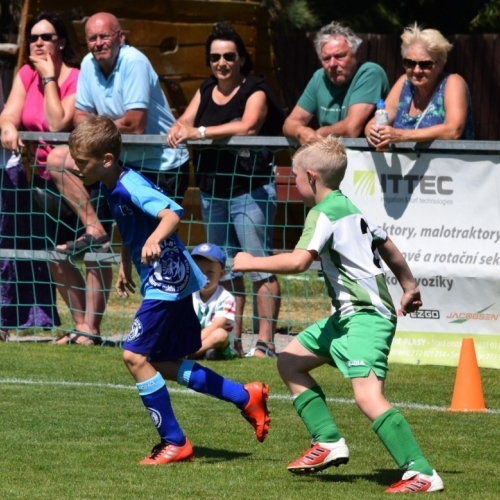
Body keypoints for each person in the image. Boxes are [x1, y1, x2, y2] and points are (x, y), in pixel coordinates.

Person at [233, 136, 444, 493]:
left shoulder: (323, 213)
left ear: (311, 177)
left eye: (295, 176)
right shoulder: (349, 207)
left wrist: (251, 261)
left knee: (367, 396)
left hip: (365, 317)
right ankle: (327, 441)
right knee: (290, 361)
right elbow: (385, 243)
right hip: (345, 318)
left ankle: (421, 472)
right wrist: (409, 286)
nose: (293, 182)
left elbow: (299, 261)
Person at [68, 114, 271, 464]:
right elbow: (131, 227)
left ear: (106, 159)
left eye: (81, 161)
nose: (75, 167)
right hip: (164, 280)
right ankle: (245, 396)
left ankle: (175, 441)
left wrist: (154, 240)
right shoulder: (111, 185)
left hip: (167, 280)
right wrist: (126, 264)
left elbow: (172, 214)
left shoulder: (131, 185)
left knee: (134, 357)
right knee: (162, 362)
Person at [47, 12, 190, 345]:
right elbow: (81, 122)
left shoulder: (135, 62)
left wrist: (98, 127)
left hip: (160, 164)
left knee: (163, 253)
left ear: (120, 37)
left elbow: (135, 124)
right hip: (122, 165)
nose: (98, 43)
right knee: (113, 242)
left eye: (105, 36)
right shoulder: (88, 64)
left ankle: (172, 328)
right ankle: (93, 328)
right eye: (92, 38)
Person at [167, 22, 285, 358]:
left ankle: (265, 343)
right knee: (224, 268)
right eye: (215, 57)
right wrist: (178, 128)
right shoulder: (206, 88)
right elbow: (184, 121)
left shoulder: (255, 88)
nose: (222, 63)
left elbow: (247, 127)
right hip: (212, 191)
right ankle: (231, 341)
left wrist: (200, 132)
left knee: (258, 267)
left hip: (251, 190)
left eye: (229, 56)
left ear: (241, 58)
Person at [0, 11, 82, 340]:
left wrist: (49, 78)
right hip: (40, 182)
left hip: (74, 181)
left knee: (86, 255)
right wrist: (8, 126)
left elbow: (57, 124)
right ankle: (78, 326)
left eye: (46, 37)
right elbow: (9, 113)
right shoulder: (25, 73)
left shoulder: (76, 76)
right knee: (52, 256)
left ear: (61, 42)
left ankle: (87, 327)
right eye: (33, 37)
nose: (38, 43)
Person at [365, 23, 474, 148]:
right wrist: (371, 131)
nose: (416, 70)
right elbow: (376, 120)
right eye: (410, 63)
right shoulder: (404, 82)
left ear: (441, 64)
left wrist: (402, 136)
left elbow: (454, 130)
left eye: (425, 64)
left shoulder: (453, 82)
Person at [283, 21, 389, 144]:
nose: (332, 64)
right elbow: (289, 123)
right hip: (329, 153)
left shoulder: (370, 73)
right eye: (326, 58)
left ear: (357, 54)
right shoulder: (319, 77)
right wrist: (301, 132)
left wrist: (318, 134)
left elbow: (351, 129)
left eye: (340, 56)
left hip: (365, 154)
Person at [189, 243, 236, 360]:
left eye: (210, 272)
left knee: (220, 334)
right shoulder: (189, 294)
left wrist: (190, 343)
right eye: (199, 271)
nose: (204, 276)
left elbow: (217, 325)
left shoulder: (226, 298)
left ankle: (186, 354)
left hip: (215, 341)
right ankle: (203, 353)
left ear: (221, 274)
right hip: (194, 341)